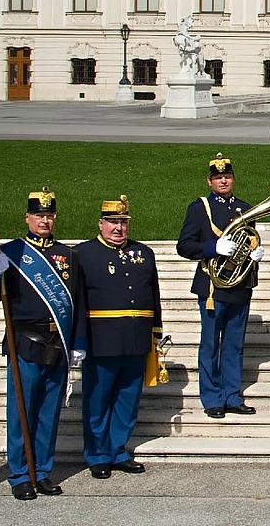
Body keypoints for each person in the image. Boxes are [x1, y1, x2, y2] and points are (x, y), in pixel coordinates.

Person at [0, 188, 87, 500]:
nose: (44, 220)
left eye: (49, 215)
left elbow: (78, 303)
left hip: (59, 342)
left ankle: (42, 472)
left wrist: (78, 342)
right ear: (27, 218)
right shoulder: (11, 254)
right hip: (24, 342)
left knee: (49, 412)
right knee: (22, 412)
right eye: (39, 215)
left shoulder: (68, 256)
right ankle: (20, 475)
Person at [75, 195, 160, 479]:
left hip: (136, 339)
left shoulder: (144, 253)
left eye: (122, 222)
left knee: (127, 398)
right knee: (98, 399)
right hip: (101, 339)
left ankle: (118, 450)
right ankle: (97, 454)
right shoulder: (83, 254)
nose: (118, 228)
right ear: (100, 224)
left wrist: (155, 332)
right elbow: (77, 301)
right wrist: (79, 340)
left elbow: (154, 296)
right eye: (112, 222)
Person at [176, 154, 262, 419]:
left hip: (239, 285)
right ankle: (212, 397)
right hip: (212, 287)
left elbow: (249, 240)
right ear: (210, 181)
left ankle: (232, 396)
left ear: (233, 179)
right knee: (211, 345)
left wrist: (254, 253)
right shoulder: (199, 208)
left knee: (235, 345)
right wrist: (214, 247)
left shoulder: (245, 208)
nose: (223, 180)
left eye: (227, 176)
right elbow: (185, 246)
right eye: (217, 177)